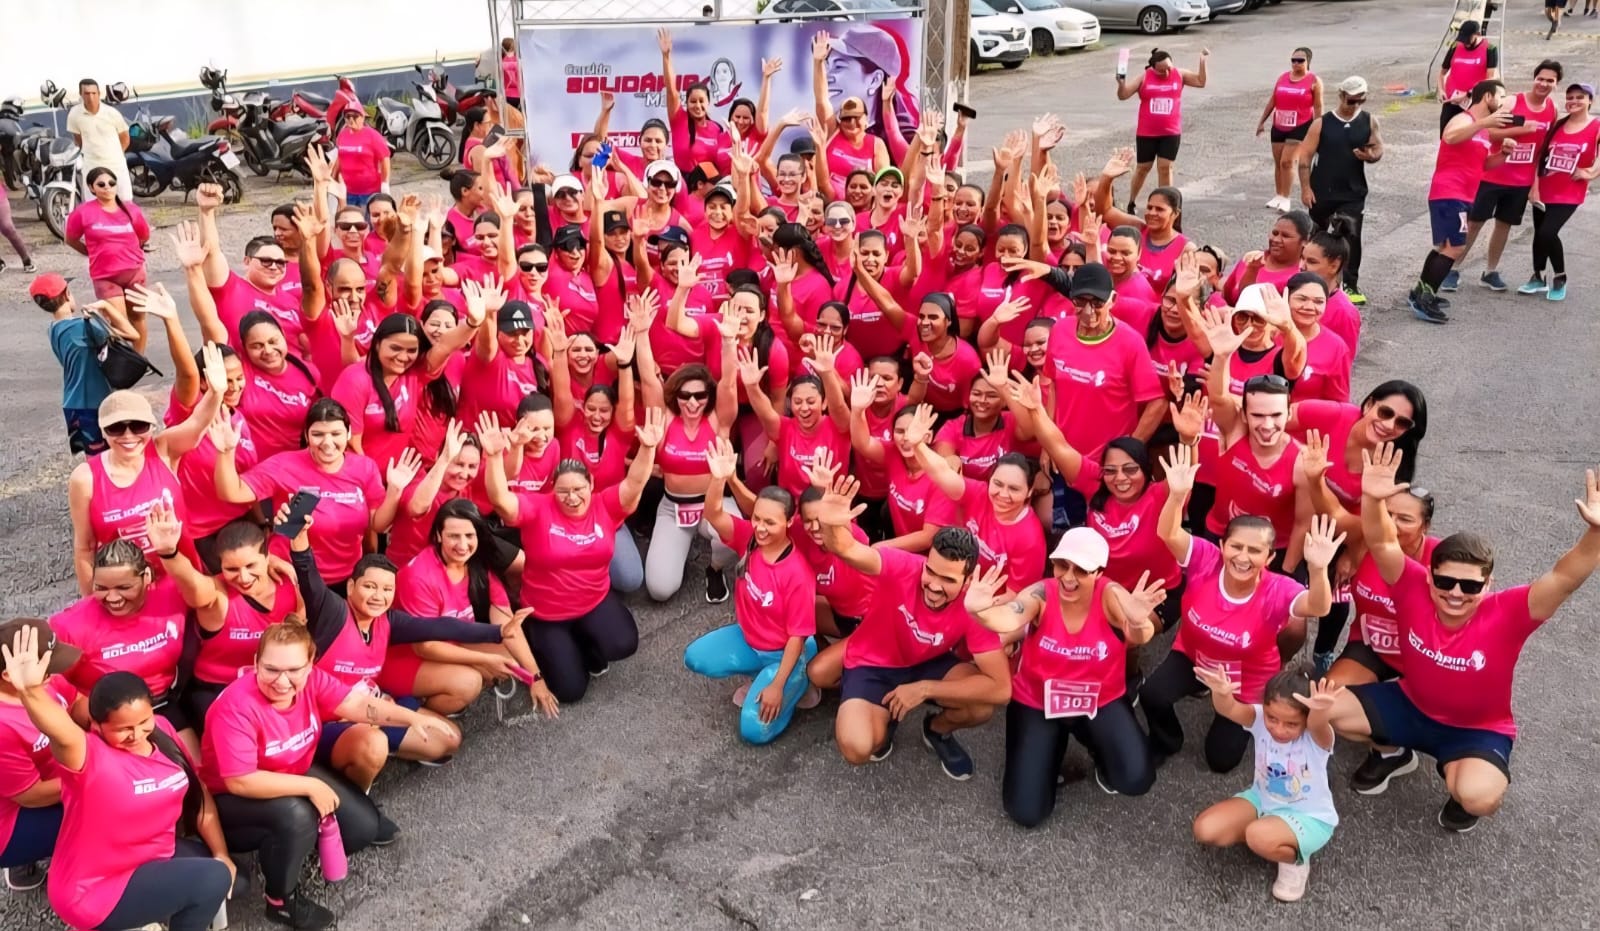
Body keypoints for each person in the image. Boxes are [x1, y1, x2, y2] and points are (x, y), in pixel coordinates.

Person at [1319, 447, 1600, 833]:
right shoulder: (1410, 586)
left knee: (1478, 795)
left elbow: (1564, 578)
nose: (1455, 592)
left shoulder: (1510, 612)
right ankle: (1393, 753)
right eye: (1446, 581)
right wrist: (1372, 498)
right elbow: (1382, 542)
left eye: (1470, 585)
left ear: (1489, 584)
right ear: (1428, 576)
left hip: (1475, 730)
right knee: (1327, 708)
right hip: (1410, 705)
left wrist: (1596, 534)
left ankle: (1461, 786)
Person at [202, 621, 451, 931]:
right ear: (256, 663)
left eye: (294, 670)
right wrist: (311, 786)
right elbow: (240, 780)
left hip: (290, 770)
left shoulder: (313, 680)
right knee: (298, 816)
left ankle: (296, 844)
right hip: (233, 800)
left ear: (310, 665)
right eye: (271, 669)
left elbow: (357, 704)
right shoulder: (236, 707)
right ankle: (280, 901)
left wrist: (410, 717)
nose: (282, 681)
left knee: (362, 829)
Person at [3, 627, 233, 931]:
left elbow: (199, 794)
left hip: (144, 855)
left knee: (228, 877)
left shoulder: (163, 730)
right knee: (212, 879)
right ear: (96, 726)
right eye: (124, 729)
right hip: (91, 890)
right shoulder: (90, 761)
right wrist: (31, 692)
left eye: (144, 721)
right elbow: (62, 733)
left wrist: (222, 853)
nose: (137, 734)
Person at [1141, 443, 1338, 773]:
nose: (1243, 557)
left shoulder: (1277, 589)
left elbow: (1318, 606)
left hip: (1246, 679)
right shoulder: (1206, 559)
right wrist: (1176, 496)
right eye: (1236, 546)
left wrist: (1318, 569)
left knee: (1220, 760)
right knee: (1152, 694)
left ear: (1269, 557)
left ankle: (1235, 713)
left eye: (1254, 551)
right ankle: (1166, 741)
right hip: (1194, 656)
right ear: (1222, 545)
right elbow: (1168, 532)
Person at [807, 478, 1012, 781]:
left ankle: (936, 729)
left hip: (927, 663)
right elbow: (848, 549)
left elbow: (1001, 689)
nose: (934, 585)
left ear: (967, 581)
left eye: (948, 580)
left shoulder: (974, 603)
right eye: (931, 571)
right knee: (857, 746)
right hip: (874, 661)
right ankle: (884, 716)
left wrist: (924, 689)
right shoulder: (903, 566)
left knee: (981, 707)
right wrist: (831, 524)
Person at [966, 528, 1167, 826]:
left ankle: (1094, 746)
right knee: (1026, 813)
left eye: (1081, 570)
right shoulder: (1041, 593)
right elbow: (1009, 616)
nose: (1068, 577)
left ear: (1099, 572)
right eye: (1062, 565)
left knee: (1136, 779)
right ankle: (1048, 749)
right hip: (1037, 701)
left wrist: (1139, 621)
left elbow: (1139, 633)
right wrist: (979, 611)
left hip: (1099, 702)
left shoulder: (1110, 595)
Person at [481, 409, 663, 703]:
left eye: (579, 489)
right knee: (570, 691)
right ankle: (549, 641)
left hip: (593, 601)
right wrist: (492, 457)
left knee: (624, 643)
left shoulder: (605, 505)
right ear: (553, 490)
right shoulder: (538, 508)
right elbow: (500, 500)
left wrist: (648, 448)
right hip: (546, 613)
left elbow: (634, 483)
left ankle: (584, 640)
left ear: (591, 484)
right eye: (563, 491)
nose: (572, 497)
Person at [684, 440, 820, 745]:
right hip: (749, 640)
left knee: (753, 731)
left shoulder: (797, 573)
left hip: (785, 653)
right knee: (695, 658)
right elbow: (713, 513)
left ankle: (797, 683)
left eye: (770, 522)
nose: (760, 527)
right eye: (757, 518)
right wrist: (719, 478)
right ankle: (761, 675)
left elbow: (796, 638)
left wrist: (778, 686)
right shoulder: (749, 539)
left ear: (789, 522)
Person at [1192, 668, 1341, 903]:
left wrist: (1320, 711)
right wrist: (1221, 693)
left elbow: (1318, 724)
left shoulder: (1316, 737)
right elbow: (1229, 709)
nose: (1278, 729)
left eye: (1291, 723)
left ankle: (1295, 860)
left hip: (1309, 817)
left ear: (1306, 719)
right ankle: (1268, 833)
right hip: (1262, 800)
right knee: (1205, 829)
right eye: (1272, 718)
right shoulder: (1259, 719)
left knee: (1257, 836)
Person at [67, 372, 223, 592]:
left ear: (151, 427)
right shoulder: (85, 478)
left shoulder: (163, 450)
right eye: (116, 428)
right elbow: (85, 547)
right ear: (102, 431)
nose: (128, 436)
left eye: (139, 426)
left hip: (182, 581)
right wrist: (92, 600)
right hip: (126, 593)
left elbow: (197, 423)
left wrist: (217, 392)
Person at [1446, 61, 1562, 293]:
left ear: (1556, 84)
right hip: (1492, 174)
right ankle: (1452, 269)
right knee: (1474, 223)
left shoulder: (1552, 109)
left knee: (1504, 225)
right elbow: (1486, 130)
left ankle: (1490, 272)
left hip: (1520, 181)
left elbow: (1542, 150)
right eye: (1540, 78)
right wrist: (1520, 130)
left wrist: (1535, 185)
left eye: (1550, 80)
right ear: (1534, 78)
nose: (1543, 84)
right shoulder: (1512, 102)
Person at [1408, 79, 1512, 324]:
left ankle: (1421, 292)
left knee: (1445, 246)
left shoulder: (1482, 131)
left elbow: (1483, 165)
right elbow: (1450, 136)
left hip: (1465, 194)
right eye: (1501, 97)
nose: (1503, 103)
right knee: (1454, 247)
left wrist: (1504, 154)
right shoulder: (1464, 119)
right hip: (1448, 192)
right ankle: (1424, 300)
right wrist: (1483, 123)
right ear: (1487, 97)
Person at [0, 618, 74, 893]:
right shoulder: (3, 727)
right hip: (10, 821)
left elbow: (77, 702)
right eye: (47, 665)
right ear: (9, 675)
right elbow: (31, 796)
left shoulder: (43, 679)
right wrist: (93, 775)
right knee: (101, 812)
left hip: (44, 780)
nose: (54, 671)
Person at [30, 272, 137, 456]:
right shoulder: (84, 327)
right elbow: (133, 334)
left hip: (72, 402)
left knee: (93, 455)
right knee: (108, 456)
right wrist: (106, 306)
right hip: (95, 402)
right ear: (67, 295)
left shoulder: (53, 329)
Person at [1298, 75, 1382, 305]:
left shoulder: (1368, 121)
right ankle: (1308, 278)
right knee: (1317, 237)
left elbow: (1378, 148)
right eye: (1351, 100)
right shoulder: (1322, 124)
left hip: (1353, 191)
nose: (1355, 105)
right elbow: (1304, 158)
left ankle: (1350, 285)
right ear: (1341, 96)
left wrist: (1370, 155)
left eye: (1360, 101)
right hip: (1322, 191)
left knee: (1351, 237)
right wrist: (1305, 188)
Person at [1520, 81, 1599, 302]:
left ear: (1590, 101)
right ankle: (1537, 277)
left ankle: (1560, 277)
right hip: (1544, 188)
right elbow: (1541, 156)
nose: (1574, 101)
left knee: (1548, 232)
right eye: (1570, 97)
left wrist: (1590, 173)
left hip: (1570, 191)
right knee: (1540, 233)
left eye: (1580, 97)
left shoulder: (1596, 126)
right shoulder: (1558, 124)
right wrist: (1534, 186)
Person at [64, 166, 152, 350]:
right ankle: (121, 361)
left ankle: (139, 359)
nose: (107, 187)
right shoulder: (83, 212)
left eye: (112, 183)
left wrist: (130, 251)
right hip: (105, 276)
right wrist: (91, 252)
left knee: (138, 318)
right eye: (101, 184)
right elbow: (70, 238)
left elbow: (144, 236)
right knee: (117, 324)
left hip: (135, 272)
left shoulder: (131, 209)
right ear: (91, 188)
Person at [1115, 48, 1209, 210]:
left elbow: (1200, 82)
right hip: (1147, 133)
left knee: (1165, 168)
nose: (1166, 73)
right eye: (1161, 71)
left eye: (1168, 68)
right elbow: (1123, 95)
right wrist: (1121, 84)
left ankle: (1165, 205)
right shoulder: (1144, 77)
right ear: (1153, 68)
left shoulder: (1179, 74)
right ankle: (1131, 202)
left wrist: (1202, 61)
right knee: (1143, 168)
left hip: (1170, 132)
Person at [1256, 47, 1322, 212]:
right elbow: (1273, 101)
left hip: (1300, 126)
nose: (1296, 63)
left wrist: (1318, 129)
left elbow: (1318, 107)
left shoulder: (1314, 81)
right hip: (1279, 125)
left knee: (1287, 162)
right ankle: (1278, 195)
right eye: (1293, 60)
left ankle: (1286, 198)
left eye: (1300, 60)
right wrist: (1262, 121)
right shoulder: (1283, 78)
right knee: (1278, 163)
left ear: (1308, 62)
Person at [65, 78, 131, 201]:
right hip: (92, 166)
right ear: (81, 94)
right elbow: (78, 140)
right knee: (94, 205)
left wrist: (116, 154)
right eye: (87, 93)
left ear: (99, 94)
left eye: (94, 93)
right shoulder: (74, 115)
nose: (91, 97)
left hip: (116, 165)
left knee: (125, 202)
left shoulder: (112, 113)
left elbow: (125, 138)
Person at [1437, 21, 1499, 132]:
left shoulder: (1490, 49)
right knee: (1446, 133)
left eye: (1468, 40)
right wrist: (1441, 90)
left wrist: (1469, 94)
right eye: (1463, 40)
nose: (1465, 43)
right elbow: (1442, 73)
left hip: (1473, 102)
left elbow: (1490, 79)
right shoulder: (1455, 46)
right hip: (1452, 100)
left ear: (1477, 34)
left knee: (1471, 134)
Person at [333, 104, 392, 208]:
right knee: (349, 217)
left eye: (355, 116)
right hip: (347, 192)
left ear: (363, 117)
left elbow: (385, 158)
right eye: (347, 116)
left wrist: (385, 183)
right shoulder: (342, 135)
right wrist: (332, 178)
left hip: (369, 192)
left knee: (367, 218)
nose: (351, 120)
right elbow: (340, 158)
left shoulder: (373, 135)